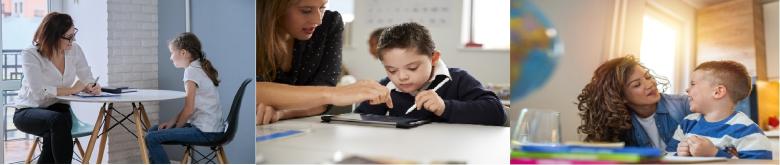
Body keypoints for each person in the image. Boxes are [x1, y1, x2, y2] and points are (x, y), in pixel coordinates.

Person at [256, 0, 392, 125]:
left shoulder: (330, 23)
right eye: (306, 10)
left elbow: (321, 102)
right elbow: (249, 90)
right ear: (275, 7)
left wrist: (281, 113)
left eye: (322, 7)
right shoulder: (248, 28)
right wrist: (333, 93)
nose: (318, 20)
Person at [354, 22, 506, 126]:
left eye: (412, 68)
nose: (401, 77)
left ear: (434, 58)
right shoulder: (386, 87)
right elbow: (357, 121)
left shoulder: (458, 80)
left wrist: (444, 107)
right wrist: (368, 101)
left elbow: (497, 113)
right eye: (392, 70)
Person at [14, 12, 102, 164]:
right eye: (68, 37)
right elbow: (39, 92)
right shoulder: (31, 53)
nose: (73, 40)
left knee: (53, 136)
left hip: (59, 110)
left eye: (73, 34)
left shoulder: (75, 49)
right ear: (53, 35)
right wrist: (73, 90)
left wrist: (93, 86)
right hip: (28, 111)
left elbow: (87, 77)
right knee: (58, 122)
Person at [577, 56, 691, 149]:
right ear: (621, 97)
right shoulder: (618, 124)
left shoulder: (683, 105)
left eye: (648, 77)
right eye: (637, 85)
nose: (650, 84)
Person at [667, 61, 771, 159]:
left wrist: (714, 153)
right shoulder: (687, 123)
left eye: (693, 84)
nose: (687, 89)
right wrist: (679, 154)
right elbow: (668, 156)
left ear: (718, 92)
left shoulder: (747, 131)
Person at [145, 32, 224, 163]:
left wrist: (176, 128)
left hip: (206, 132)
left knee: (151, 138)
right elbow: (189, 107)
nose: (170, 58)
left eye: (172, 53)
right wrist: (172, 122)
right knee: (153, 130)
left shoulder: (191, 72)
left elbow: (189, 110)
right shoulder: (199, 67)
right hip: (213, 128)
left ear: (183, 53)